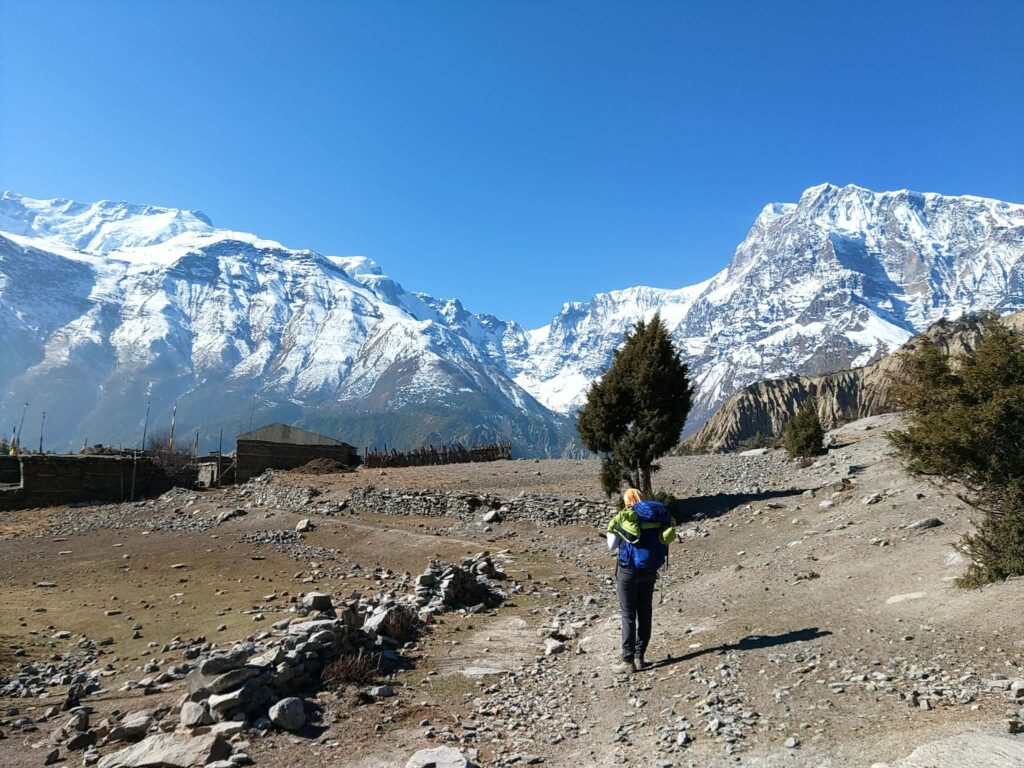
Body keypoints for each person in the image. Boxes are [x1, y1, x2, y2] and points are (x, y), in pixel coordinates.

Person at [606, 488, 676, 673]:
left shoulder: (625, 517)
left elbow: (611, 546)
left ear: (627, 500)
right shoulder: (657, 517)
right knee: (645, 612)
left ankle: (627, 661)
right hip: (650, 569)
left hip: (627, 570)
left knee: (628, 614)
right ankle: (640, 657)